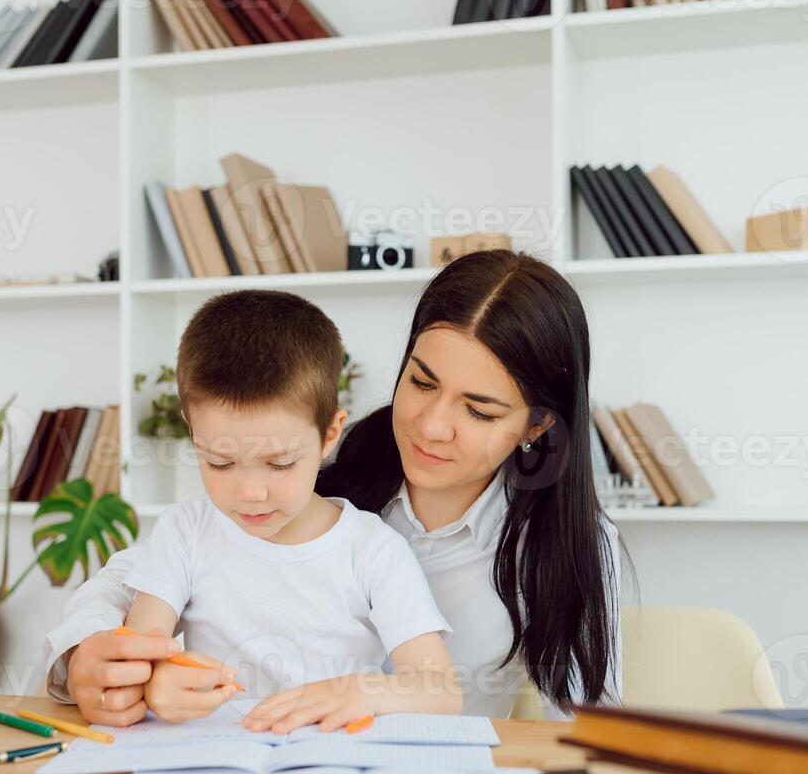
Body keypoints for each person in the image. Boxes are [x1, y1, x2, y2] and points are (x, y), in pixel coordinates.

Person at [42, 249, 622, 724]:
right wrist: (93, 657)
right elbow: (129, 582)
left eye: (479, 411)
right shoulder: (308, 472)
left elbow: (585, 729)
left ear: (536, 425)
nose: (431, 425)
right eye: (421, 382)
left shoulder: (570, 545)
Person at [117, 289, 461, 731]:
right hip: (215, 764)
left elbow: (442, 691)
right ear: (193, 432)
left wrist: (356, 691)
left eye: (279, 464)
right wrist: (156, 680)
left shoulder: (372, 550)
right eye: (219, 462)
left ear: (330, 433)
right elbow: (136, 653)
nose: (251, 493)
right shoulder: (185, 532)